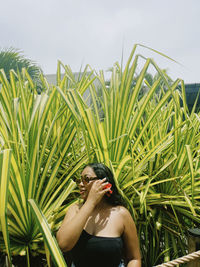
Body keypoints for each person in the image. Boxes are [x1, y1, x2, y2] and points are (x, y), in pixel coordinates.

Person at [56, 163, 141, 267]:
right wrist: (91, 202)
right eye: (80, 180)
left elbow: (134, 258)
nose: (81, 184)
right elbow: (63, 244)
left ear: (103, 182)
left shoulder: (121, 214)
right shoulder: (75, 210)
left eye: (86, 179)